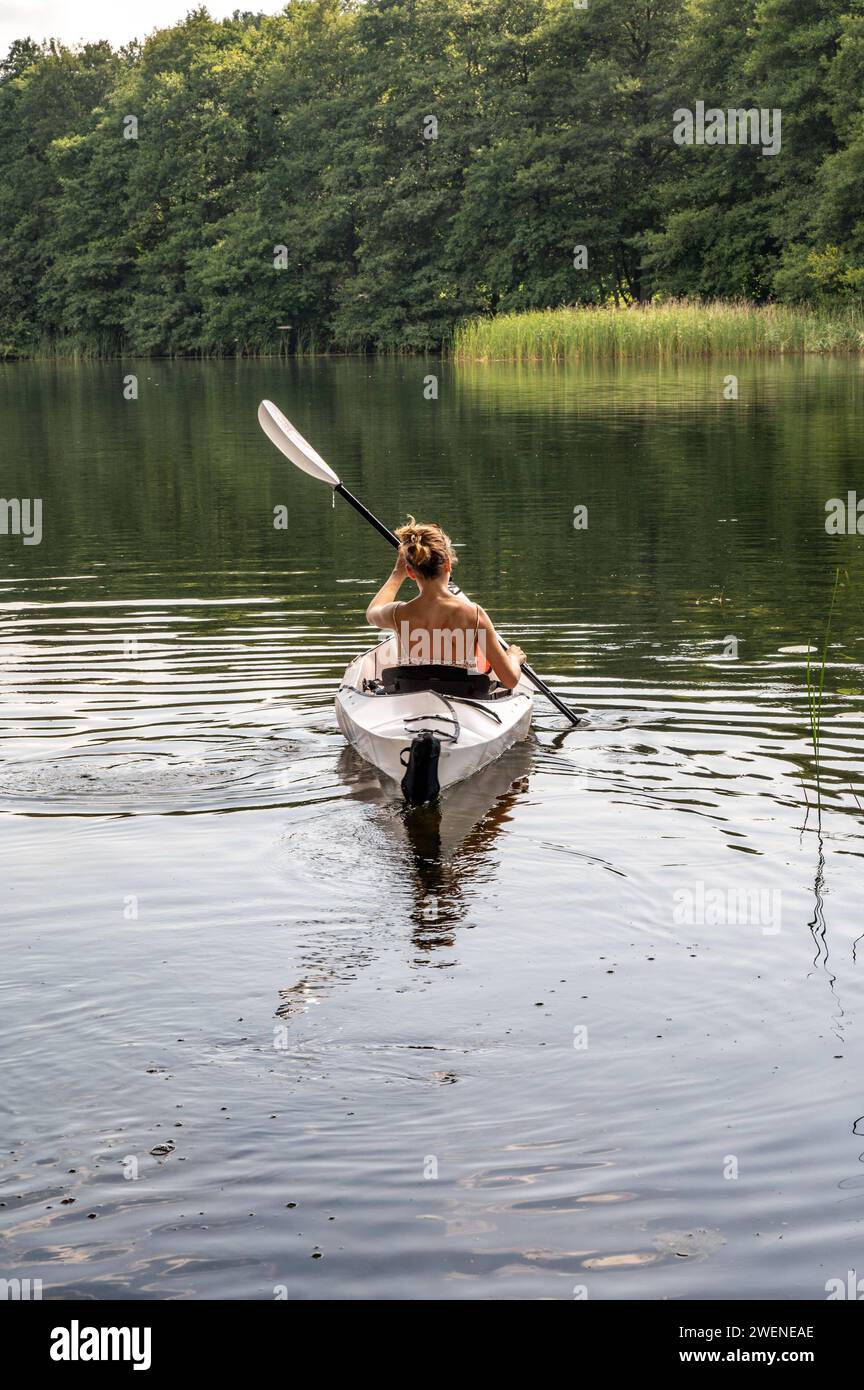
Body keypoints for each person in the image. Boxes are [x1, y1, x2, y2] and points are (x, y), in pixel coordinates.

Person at [365, 516, 527, 690]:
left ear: (411, 573)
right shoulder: (474, 614)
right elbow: (510, 680)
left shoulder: (398, 613)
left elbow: (372, 613)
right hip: (463, 701)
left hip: (411, 702)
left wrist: (397, 574)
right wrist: (513, 658)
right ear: (448, 564)